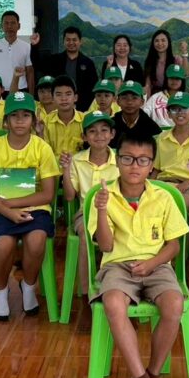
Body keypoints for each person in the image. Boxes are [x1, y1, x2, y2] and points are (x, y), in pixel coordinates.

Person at [89, 134, 189, 378]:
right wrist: (102, 210)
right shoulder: (104, 195)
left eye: (142, 160)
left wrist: (152, 263)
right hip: (117, 265)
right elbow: (106, 246)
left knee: (174, 304)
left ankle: (152, 377)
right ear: (117, 160)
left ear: (151, 165)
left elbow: (174, 246)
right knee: (112, 303)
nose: (134, 166)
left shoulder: (163, 197)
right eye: (127, 159)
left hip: (157, 265)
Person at [0, 92, 59, 321]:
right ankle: (1, 292)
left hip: (34, 207)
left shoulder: (42, 148)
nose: (20, 120)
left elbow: (48, 194)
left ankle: (29, 286)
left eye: (25, 115)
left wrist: (11, 204)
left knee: (37, 239)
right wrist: (8, 212)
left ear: (33, 120)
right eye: (14, 116)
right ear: (5, 121)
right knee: (3, 244)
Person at [62, 111, 119, 304]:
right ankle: (88, 293)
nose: (99, 135)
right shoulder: (76, 161)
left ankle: (117, 286)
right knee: (85, 237)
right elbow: (69, 196)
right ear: (84, 136)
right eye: (92, 131)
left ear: (112, 134)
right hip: (85, 213)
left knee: (124, 233)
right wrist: (65, 170)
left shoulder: (120, 159)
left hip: (115, 212)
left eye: (104, 130)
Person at [31, 25, 99, 110]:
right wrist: (34, 46)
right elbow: (38, 65)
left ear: (80, 42)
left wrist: (83, 106)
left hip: (81, 108)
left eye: (74, 40)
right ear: (64, 41)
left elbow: (93, 87)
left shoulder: (88, 63)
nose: (71, 43)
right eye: (68, 40)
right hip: (57, 106)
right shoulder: (55, 60)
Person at [42, 75, 85, 163]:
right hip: (53, 167)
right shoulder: (46, 122)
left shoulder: (85, 120)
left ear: (75, 98)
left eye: (68, 94)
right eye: (58, 95)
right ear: (52, 98)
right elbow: (44, 153)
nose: (63, 99)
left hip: (79, 168)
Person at [110, 80, 162, 150]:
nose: (129, 102)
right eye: (124, 98)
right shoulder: (110, 125)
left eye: (134, 98)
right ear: (118, 101)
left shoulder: (152, 128)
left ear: (142, 102)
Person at [143, 29, 189, 96]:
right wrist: (148, 101)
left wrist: (184, 52)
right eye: (157, 41)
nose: (160, 43)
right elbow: (148, 85)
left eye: (163, 40)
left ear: (168, 42)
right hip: (157, 96)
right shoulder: (150, 61)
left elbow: (185, 73)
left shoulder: (176, 59)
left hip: (174, 95)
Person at [143, 63, 187, 128]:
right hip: (158, 132)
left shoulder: (187, 99)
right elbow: (143, 115)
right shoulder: (155, 98)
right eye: (172, 78)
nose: (174, 81)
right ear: (166, 79)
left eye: (177, 78)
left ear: (182, 81)